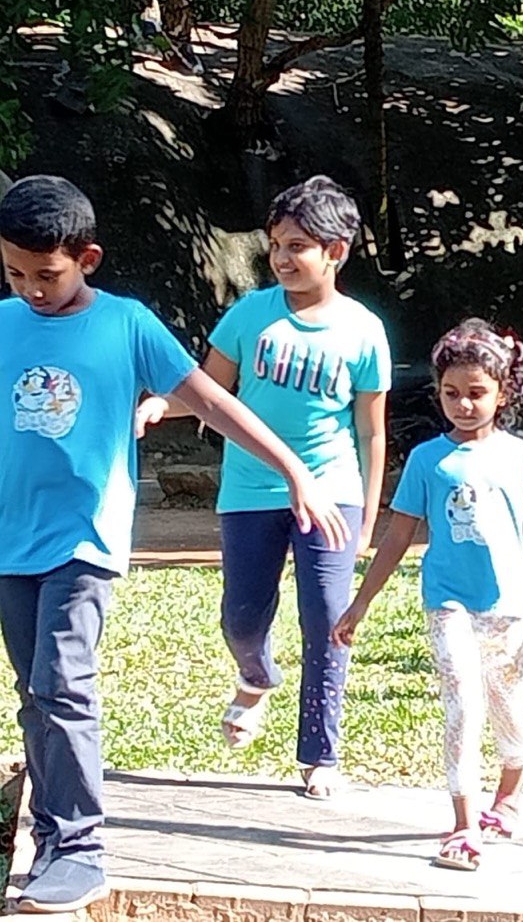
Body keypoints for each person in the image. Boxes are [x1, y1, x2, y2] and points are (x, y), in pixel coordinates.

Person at [0, 175, 349, 912]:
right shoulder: (4, 323)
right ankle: (49, 827)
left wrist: (293, 467)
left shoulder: (127, 324)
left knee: (62, 681)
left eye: (47, 274)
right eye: (15, 273)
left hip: (83, 541)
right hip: (11, 542)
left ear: (87, 257)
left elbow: (215, 401)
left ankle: (80, 845)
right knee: (35, 692)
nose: (31, 288)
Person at [136, 175, 391, 800]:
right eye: (275, 244)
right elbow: (207, 390)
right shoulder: (250, 315)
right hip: (250, 490)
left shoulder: (363, 331)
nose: (281, 258)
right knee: (242, 619)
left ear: (337, 250)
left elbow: (372, 433)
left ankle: (320, 753)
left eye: (297, 245)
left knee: (327, 619)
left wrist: (365, 524)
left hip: (332, 492)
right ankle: (255, 676)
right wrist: (153, 407)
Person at [332, 319, 523, 872]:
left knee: (509, 708)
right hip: (447, 602)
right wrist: (360, 603)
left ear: (503, 393)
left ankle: (510, 787)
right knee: (462, 704)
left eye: (477, 394)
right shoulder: (427, 460)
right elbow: (398, 535)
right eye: (451, 393)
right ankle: (463, 825)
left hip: (507, 605)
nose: (463, 405)